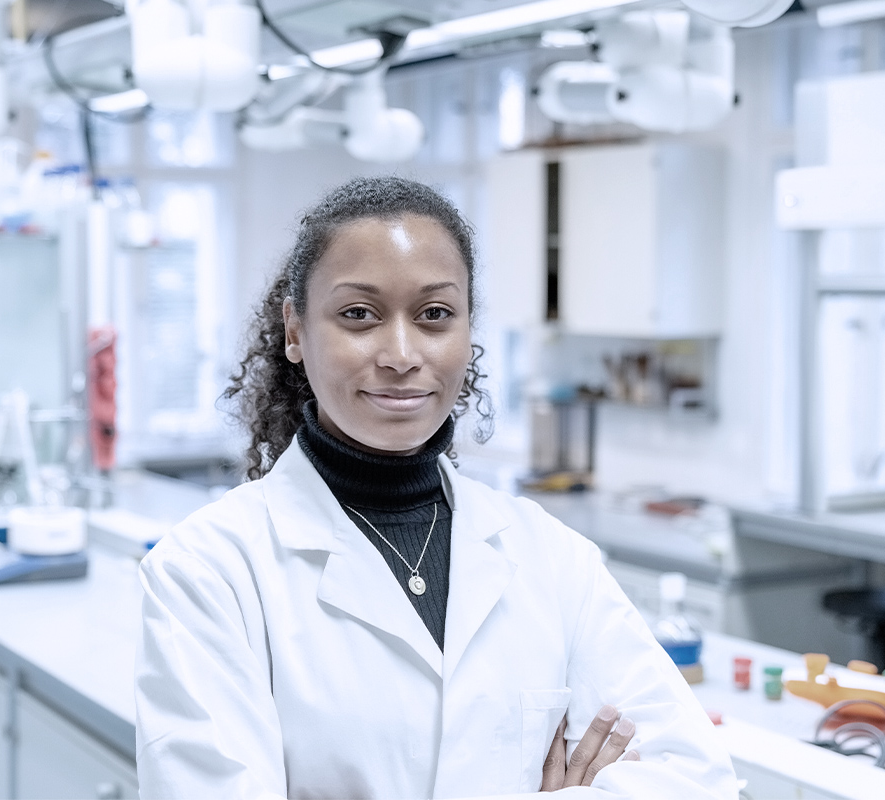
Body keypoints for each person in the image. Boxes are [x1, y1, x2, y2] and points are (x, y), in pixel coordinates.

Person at [135, 176, 738, 799]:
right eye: (359, 315)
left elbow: (695, 778)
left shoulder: (553, 560)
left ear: (467, 328)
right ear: (295, 330)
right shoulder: (209, 571)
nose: (401, 353)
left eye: (434, 315)